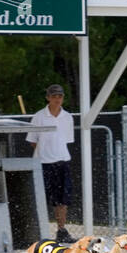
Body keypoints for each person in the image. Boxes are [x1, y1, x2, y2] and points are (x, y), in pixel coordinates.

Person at [26, 84, 76, 244]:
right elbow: (33, 141)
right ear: (48, 97)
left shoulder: (67, 117)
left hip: (62, 161)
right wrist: (45, 153)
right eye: (54, 96)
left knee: (62, 199)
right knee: (41, 198)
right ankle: (37, 231)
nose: (57, 99)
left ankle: (61, 230)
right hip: (43, 163)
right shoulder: (39, 117)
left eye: (60, 96)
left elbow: (67, 140)